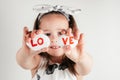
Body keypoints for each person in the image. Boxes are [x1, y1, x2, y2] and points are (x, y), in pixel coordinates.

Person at [16, 5, 93, 80]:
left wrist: (80, 58)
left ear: (72, 33)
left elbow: (86, 69)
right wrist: (27, 53)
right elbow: (23, 63)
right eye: (47, 34)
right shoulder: (38, 61)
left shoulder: (76, 64)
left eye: (60, 33)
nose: (54, 39)